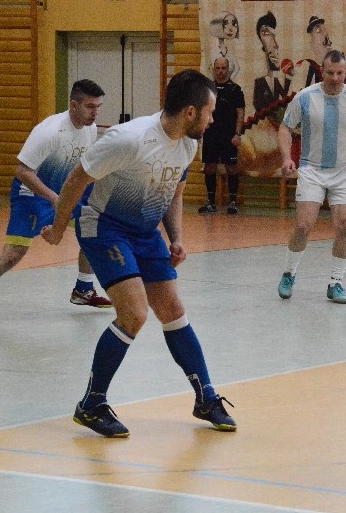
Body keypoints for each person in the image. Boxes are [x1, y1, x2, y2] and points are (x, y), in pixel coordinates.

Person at [40, 69, 236, 438]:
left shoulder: (188, 145)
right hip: (104, 226)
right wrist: (58, 227)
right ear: (191, 112)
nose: (212, 120)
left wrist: (175, 238)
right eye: (210, 112)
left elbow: (173, 194)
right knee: (134, 313)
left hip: (145, 232)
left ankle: (205, 397)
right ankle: (91, 404)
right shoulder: (129, 139)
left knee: (173, 311)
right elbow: (77, 178)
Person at [0, 79, 111, 323]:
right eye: (90, 106)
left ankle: (83, 290)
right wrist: (53, 198)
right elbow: (23, 171)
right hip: (31, 195)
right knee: (13, 254)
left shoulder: (90, 129)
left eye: (98, 107)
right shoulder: (50, 132)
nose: (95, 113)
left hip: (61, 192)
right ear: (73, 105)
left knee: (93, 228)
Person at [277, 50, 346, 305]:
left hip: (344, 171)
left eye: (340, 73)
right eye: (330, 73)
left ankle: (336, 282)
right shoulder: (305, 97)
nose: (335, 78)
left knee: (345, 226)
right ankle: (289, 274)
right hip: (311, 170)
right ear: (321, 71)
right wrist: (286, 157)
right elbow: (285, 127)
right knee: (303, 226)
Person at [198, 57, 245, 215]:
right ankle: (211, 203)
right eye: (217, 68)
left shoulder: (235, 89)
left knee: (231, 168)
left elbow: (240, 113)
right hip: (211, 134)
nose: (220, 71)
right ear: (213, 70)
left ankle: (232, 202)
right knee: (209, 167)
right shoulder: (208, 89)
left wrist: (237, 133)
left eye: (223, 68)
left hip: (229, 135)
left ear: (228, 69)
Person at [253, 11, 295, 115]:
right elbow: (257, 105)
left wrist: (288, 78)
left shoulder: (275, 81)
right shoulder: (259, 82)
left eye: (274, 36)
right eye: (267, 34)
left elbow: (283, 97)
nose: (276, 45)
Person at [304, 15, 332, 86]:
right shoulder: (306, 68)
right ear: (311, 42)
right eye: (318, 31)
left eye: (324, 30)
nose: (325, 35)